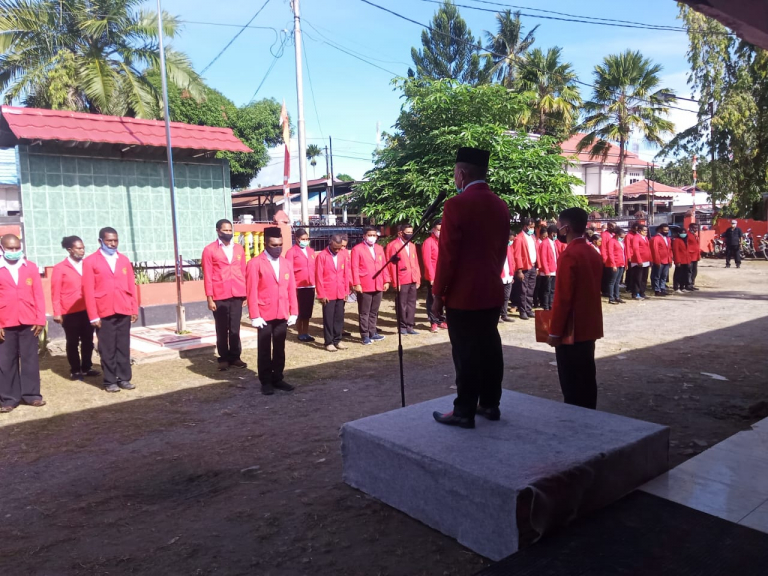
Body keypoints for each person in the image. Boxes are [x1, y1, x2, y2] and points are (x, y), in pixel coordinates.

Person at [432, 147, 510, 429]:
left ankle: (463, 410)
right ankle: (490, 404)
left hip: (463, 295)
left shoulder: (456, 205)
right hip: (491, 288)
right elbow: (501, 251)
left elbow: (448, 255)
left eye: (455, 173)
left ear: (462, 174)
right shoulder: (500, 204)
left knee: (465, 353)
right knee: (490, 348)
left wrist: (438, 293)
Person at [547, 208, 604, 410]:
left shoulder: (569, 254)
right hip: (590, 324)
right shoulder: (592, 252)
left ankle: (576, 420)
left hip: (572, 328)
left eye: (559, 224)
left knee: (571, 381)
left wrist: (554, 331)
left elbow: (563, 297)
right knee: (587, 376)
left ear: (566, 228)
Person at [82, 227, 138, 393]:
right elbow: (88, 291)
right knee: (107, 348)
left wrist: (133, 308)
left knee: (123, 346)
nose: (113, 244)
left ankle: (124, 378)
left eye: (115, 240)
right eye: (109, 241)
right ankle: (110, 380)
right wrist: (93, 316)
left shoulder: (124, 260)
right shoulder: (91, 261)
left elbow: (131, 286)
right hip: (103, 311)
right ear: (101, 241)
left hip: (123, 309)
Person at [246, 227, 298, 395]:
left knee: (279, 347)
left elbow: (291, 289)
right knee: (264, 349)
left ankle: (278, 378)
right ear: (266, 244)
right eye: (273, 245)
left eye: (280, 245)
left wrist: (294, 311)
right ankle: (266, 381)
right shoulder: (255, 263)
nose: (277, 248)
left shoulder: (286, 263)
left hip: (282, 312)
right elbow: (251, 290)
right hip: (264, 313)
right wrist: (254, 315)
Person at [0, 234, 46, 413]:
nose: (14, 252)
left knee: (30, 360)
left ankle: (32, 395)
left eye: (17, 248)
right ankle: (9, 398)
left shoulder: (30, 267)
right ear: (2, 249)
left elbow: (38, 295)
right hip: (5, 322)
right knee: (5, 362)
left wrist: (40, 319)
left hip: (29, 321)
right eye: (10, 249)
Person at [202, 219, 248, 371]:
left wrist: (245, 293)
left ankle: (235, 356)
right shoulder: (209, 250)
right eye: (225, 230)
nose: (228, 233)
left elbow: (243, 271)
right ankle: (223, 358)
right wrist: (209, 297)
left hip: (237, 293)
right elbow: (208, 275)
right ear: (218, 231)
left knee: (235, 327)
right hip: (219, 294)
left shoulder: (239, 249)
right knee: (222, 329)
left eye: (230, 230)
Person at [51, 236, 99, 381]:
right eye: (79, 248)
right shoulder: (60, 268)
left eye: (83, 247)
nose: (82, 251)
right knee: (72, 341)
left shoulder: (87, 265)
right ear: (69, 250)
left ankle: (86, 367)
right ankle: (75, 370)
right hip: (69, 311)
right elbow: (55, 291)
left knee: (88, 340)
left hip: (87, 309)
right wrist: (57, 312)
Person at [351, 226, 390, 344]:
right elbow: (354, 267)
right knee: (364, 311)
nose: (372, 237)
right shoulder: (357, 249)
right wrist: (356, 283)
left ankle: (373, 332)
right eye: (370, 235)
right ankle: (365, 335)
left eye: (374, 235)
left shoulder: (379, 248)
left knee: (374, 311)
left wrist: (386, 280)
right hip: (365, 283)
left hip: (378, 283)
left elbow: (384, 265)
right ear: (364, 236)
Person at [315, 234, 351, 351]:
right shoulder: (322, 256)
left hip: (340, 291)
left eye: (339, 248)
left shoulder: (342, 255)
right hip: (328, 292)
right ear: (330, 243)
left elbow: (346, 274)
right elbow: (318, 276)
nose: (337, 250)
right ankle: (328, 342)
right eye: (335, 248)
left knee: (339, 318)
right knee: (328, 318)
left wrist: (346, 291)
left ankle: (338, 340)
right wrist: (321, 294)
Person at [386, 223, 421, 335]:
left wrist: (418, 278)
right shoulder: (393, 246)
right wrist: (395, 282)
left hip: (412, 278)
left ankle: (410, 325)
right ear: (400, 233)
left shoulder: (412, 245)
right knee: (401, 303)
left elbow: (416, 263)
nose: (410, 234)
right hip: (401, 279)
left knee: (412, 303)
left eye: (411, 232)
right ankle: (402, 326)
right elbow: (391, 265)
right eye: (408, 232)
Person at [285, 228, 317, 342]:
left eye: (307, 239)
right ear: (297, 239)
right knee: (300, 310)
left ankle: (306, 331)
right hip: (298, 286)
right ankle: (300, 332)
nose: (305, 241)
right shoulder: (291, 252)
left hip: (310, 285)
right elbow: (288, 270)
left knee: (308, 311)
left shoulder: (311, 251)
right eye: (303, 239)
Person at [422, 220, 446, 332]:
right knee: (433, 299)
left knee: (442, 299)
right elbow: (427, 261)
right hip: (433, 276)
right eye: (438, 230)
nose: (440, 232)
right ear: (433, 230)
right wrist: (431, 277)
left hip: (443, 275)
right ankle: (433, 321)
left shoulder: (445, 241)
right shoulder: (428, 242)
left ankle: (441, 320)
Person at [512, 217, 538, 320]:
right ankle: (522, 311)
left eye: (533, 227)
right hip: (524, 267)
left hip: (533, 266)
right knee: (523, 290)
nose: (532, 229)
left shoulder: (532, 237)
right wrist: (519, 270)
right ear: (525, 226)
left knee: (531, 289)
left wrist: (537, 267)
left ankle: (528, 309)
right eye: (531, 227)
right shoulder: (519, 238)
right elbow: (517, 255)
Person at [537, 225, 558, 311]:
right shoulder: (545, 243)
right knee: (547, 290)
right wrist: (546, 271)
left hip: (554, 269)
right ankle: (546, 306)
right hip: (548, 271)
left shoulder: (553, 242)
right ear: (552, 233)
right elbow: (543, 258)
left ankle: (551, 305)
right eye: (555, 233)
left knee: (552, 289)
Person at [629, 224, 652, 300]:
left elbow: (648, 249)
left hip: (646, 261)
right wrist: (639, 260)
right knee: (637, 278)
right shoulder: (636, 237)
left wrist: (650, 259)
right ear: (639, 231)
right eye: (644, 230)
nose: (646, 232)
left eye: (646, 230)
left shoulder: (645, 238)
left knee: (644, 278)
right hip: (638, 261)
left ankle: (642, 292)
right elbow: (636, 250)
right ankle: (635, 293)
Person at [650, 223, 672, 297]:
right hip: (659, 260)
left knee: (664, 276)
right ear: (660, 230)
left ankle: (662, 288)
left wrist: (670, 260)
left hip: (666, 260)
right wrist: (657, 261)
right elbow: (655, 250)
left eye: (667, 230)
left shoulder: (667, 238)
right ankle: (657, 290)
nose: (666, 232)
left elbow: (669, 250)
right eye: (665, 230)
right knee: (657, 276)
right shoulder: (656, 238)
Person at [607, 227, 627, 305]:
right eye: (621, 237)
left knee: (617, 281)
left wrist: (625, 263)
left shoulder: (621, 242)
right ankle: (611, 298)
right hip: (615, 263)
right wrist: (613, 264)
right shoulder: (611, 241)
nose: (622, 238)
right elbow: (610, 253)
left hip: (621, 263)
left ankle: (617, 296)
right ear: (617, 235)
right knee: (612, 281)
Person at [500, 231, 515, 322]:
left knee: (506, 297)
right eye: (510, 239)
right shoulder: (498, 248)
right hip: (500, 277)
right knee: (498, 297)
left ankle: (504, 314)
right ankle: (497, 316)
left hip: (508, 276)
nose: (511, 241)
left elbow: (512, 261)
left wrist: (512, 274)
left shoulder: (509, 248)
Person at [533, 226, 549, 308]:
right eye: (543, 236)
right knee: (537, 286)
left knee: (542, 286)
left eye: (546, 237)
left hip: (544, 269)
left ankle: (541, 301)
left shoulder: (546, 243)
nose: (545, 238)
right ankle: (535, 301)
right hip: (538, 268)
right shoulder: (537, 243)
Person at [600, 222, 615, 296]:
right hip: (606, 257)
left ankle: (609, 290)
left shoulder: (613, 234)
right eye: (612, 226)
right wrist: (604, 258)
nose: (614, 228)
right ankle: (605, 291)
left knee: (610, 275)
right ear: (608, 226)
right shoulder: (604, 235)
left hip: (612, 258)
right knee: (605, 275)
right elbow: (603, 247)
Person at [687, 223, 701, 290]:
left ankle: (692, 284)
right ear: (690, 228)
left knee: (694, 271)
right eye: (694, 228)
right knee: (689, 271)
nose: (695, 229)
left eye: (696, 228)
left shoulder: (695, 235)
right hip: (690, 256)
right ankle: (688, 284)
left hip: (695, 256)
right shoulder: (687, 235)